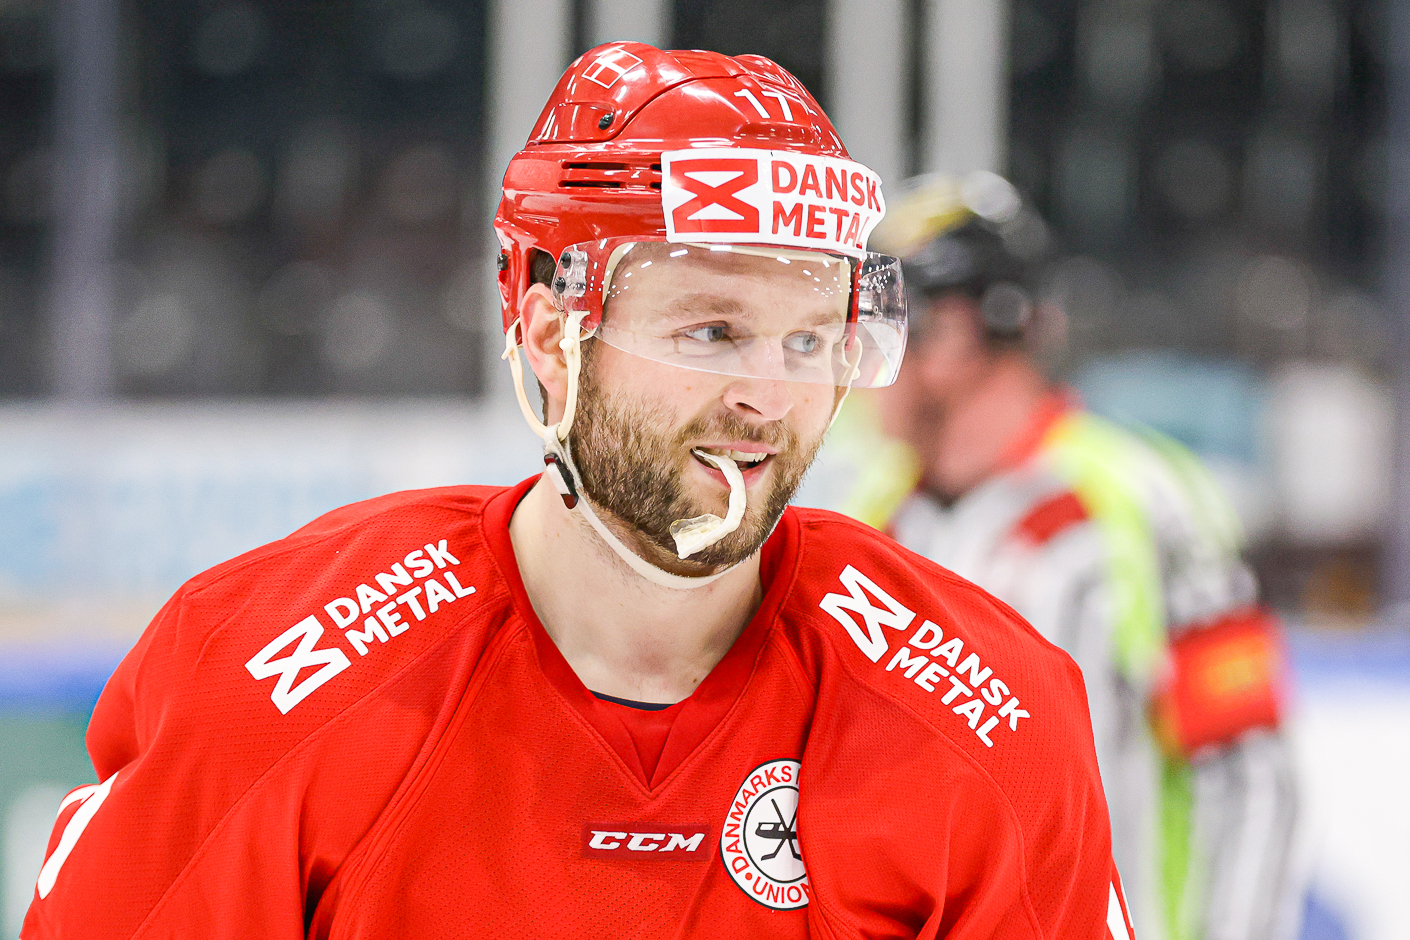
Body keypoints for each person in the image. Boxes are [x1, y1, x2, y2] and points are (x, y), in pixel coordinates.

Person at [23, 46, 1131, 939]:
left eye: (807, 338)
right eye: (711, 330)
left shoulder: (991, 715)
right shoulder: (272, 684)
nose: (768, 395)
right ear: (552, 334)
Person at [846, 173, 1301, 940]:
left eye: (878, 327)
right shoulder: (867, 519)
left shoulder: (1145, 505)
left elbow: (1250, 776)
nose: (855, 364)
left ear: (955, 336)